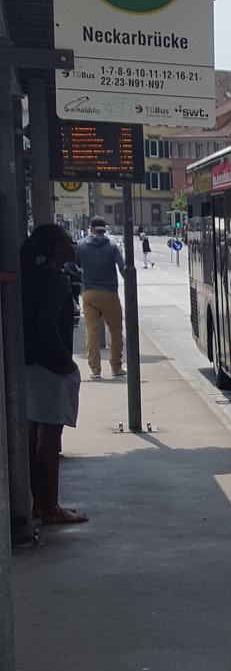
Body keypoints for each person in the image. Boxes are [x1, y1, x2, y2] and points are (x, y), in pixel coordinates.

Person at [20, 224, 88, 525]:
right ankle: (51, 507)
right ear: (59, 249)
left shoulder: (30, 277)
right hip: (50, 369)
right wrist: (65, 363)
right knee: (50, 438)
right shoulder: (57, 282)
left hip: (30, 365)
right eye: (69, 242)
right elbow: (48, 325)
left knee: (34, 434)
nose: (74, 247)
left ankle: (38, 504)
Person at [76, 216, 125, 379]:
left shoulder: (81, 245)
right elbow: (123, 266)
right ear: (104, 229)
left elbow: (72, 265)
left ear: (91, 229)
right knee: (116, 331)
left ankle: (95, 370)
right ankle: (116, 366)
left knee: (92, 332)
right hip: (110, 292)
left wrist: (81, 278)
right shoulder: (112, 245)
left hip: (89, 293)